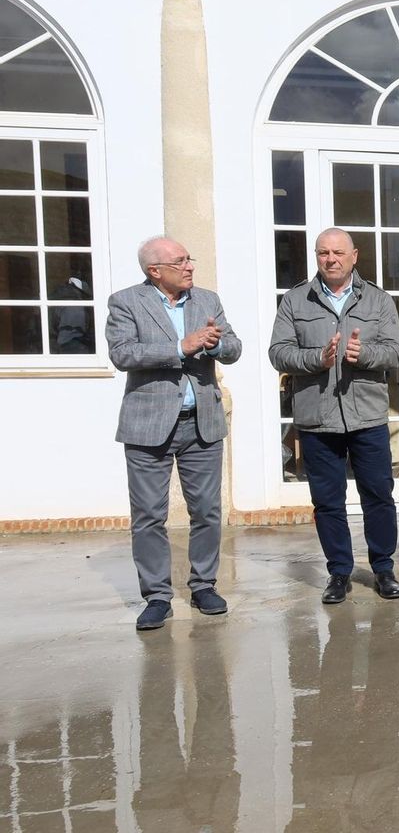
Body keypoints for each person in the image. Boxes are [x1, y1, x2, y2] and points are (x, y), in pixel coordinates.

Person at [107, 236, 241, 631]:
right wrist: (181, 347)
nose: (189, 267)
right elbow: (123, 353)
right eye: (180, 261)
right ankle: (157, 597)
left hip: (201, 422)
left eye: (189, 258)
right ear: (155, 271)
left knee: (207, 511)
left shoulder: (207, 300)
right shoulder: (125, 301)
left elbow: (233, 346)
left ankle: (204, 586)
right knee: (148, 516)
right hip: (147, 425)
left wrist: (217, 346)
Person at [269, 227, 399, 603]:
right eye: (323, 253)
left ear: (354, 256)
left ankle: (383, 568)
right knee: (328, 501)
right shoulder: (296, 300)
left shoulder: (378, 300)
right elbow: (278, 352)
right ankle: (339, 572)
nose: (331, 259)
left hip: (368, 416)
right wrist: (317, 359)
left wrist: (366, 355)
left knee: (378, 495)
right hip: (317, 417)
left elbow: (395, 352)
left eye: (338, 253)